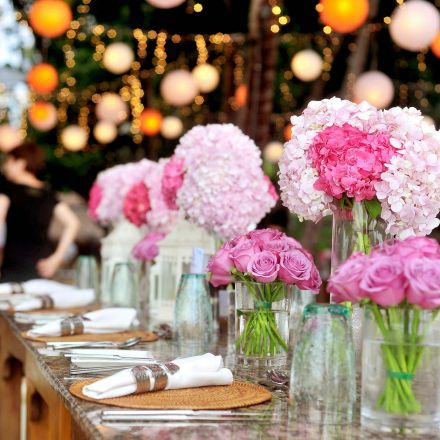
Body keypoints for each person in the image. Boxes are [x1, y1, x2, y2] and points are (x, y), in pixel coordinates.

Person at [0, 142, 80, 281]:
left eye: (8, 162)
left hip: (14, 268)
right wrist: (56, 258)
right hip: (44, 267)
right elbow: (73, 223)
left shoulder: (9, 190)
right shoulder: (48, 193)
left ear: (20, 163)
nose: (4, 167)